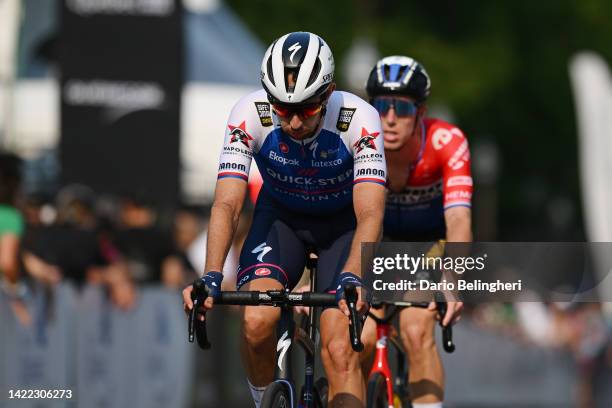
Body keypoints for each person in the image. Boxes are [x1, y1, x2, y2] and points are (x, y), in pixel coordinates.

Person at [182, 31, 387, 407]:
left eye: (307, 109)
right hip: (282, 221)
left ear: (329, 93)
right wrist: (211, 274)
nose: (292, 122)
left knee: (340, 348)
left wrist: (354, 276)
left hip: (343, 227)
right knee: (257, 322)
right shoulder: (248, 114)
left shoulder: (359, 118)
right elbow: (227, 204)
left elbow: (371, 211)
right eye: (282, 108)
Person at [362, 55, 473, 408]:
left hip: (427, 247)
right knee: (358, 340)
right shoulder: (358, 144)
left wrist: (453, 279)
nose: (390, 118)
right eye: (381, 106)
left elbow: (458, 219)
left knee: (415, 330)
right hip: (374, 245)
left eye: (402, 108)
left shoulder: (446, 142)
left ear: (421, 113)